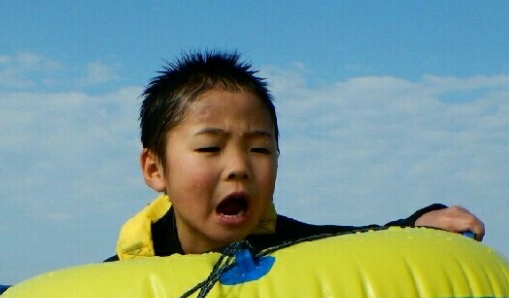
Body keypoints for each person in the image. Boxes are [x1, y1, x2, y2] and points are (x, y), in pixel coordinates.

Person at [111, 50, 484, 260]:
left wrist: (417, 223)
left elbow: (359, 241)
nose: (239, 167)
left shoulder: (291, 245)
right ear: (155, 169)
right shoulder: (124, 272)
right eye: (210, 148)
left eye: (259, 148)